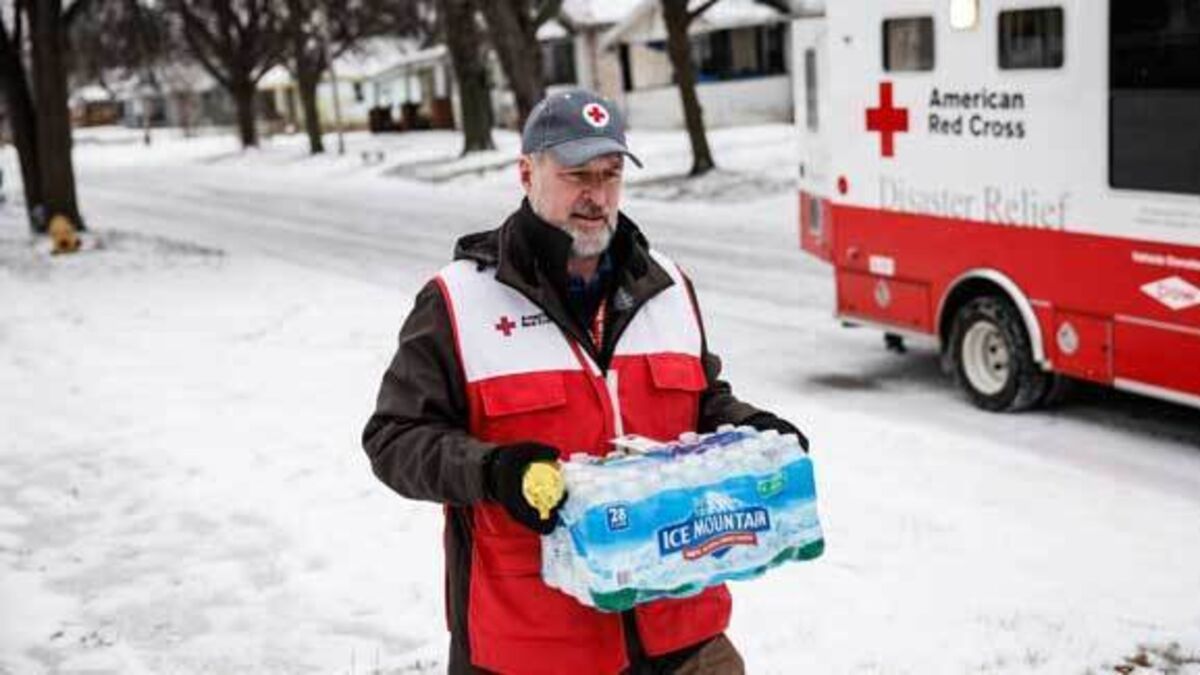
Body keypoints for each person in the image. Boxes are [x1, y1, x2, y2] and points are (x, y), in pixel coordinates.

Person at [362, 89, 808, 675]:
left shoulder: (668, 285)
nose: (596, 195)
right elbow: (394, 438)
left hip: (683, 631)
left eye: (610, 174)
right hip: (535, 643)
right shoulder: (459, 300)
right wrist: (495, 471)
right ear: (527, 173)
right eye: (577, 175)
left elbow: (702, 400)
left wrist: (752, 429)